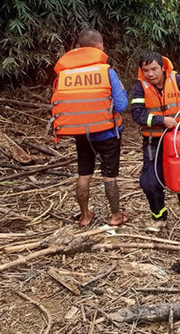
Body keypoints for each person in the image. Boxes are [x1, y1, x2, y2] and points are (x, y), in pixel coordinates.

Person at [50, 29, 128, 227]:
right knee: (109, 176)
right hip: (107, 133)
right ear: (99, 46)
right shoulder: (106, 72)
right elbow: (120, 106)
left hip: (81, 134)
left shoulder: (65, 75)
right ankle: (115, 216)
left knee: (84, 175)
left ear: (78, 48)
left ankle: (85, 216)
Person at [130, 51, 180, 227]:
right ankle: (159, 217)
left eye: (154, 69)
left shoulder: (179, 81)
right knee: (149, 183)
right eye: (146, 70)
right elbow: (137, 114)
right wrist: (161, 120)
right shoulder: (140, 87)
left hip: (179, 139)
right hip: (153, 141)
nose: (150, 74)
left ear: (162, 68)